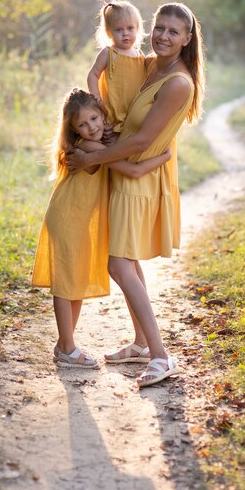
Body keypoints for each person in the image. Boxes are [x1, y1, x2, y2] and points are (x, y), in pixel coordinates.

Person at [66, 2, 205, 386]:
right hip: (125, 169)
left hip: (140, 178)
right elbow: (114, 92)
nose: (162, 36)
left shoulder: (178, 82)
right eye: (159, 28)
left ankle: (161, 355)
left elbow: (144, 139)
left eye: (173, 32)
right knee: (128, 260)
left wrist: (90, 158)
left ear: (187, 40)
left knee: (119, 264)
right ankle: (142, 343)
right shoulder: (149, 66)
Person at [31, 88, 172, 369]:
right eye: (82, 125)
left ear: (102, 114)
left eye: (95, 119)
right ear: (73, 129)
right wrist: (164, 156)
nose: (91, 127)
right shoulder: (91, 148)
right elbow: (132, 170)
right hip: (68, 218)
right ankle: (67, 348)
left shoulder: (98, 145)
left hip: (77, 219)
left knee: (76, 283)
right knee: (66, 285)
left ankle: (65, 344)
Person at [87, 0, 146, 136]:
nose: (125, 33)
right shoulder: (109, 53)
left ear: (137, 29)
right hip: (112, 112)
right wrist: (96, 99)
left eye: (130, 28)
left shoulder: (140, 56)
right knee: (111, 140)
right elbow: (93, 75)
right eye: (119, 29)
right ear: (109, 33)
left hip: (133, 113)